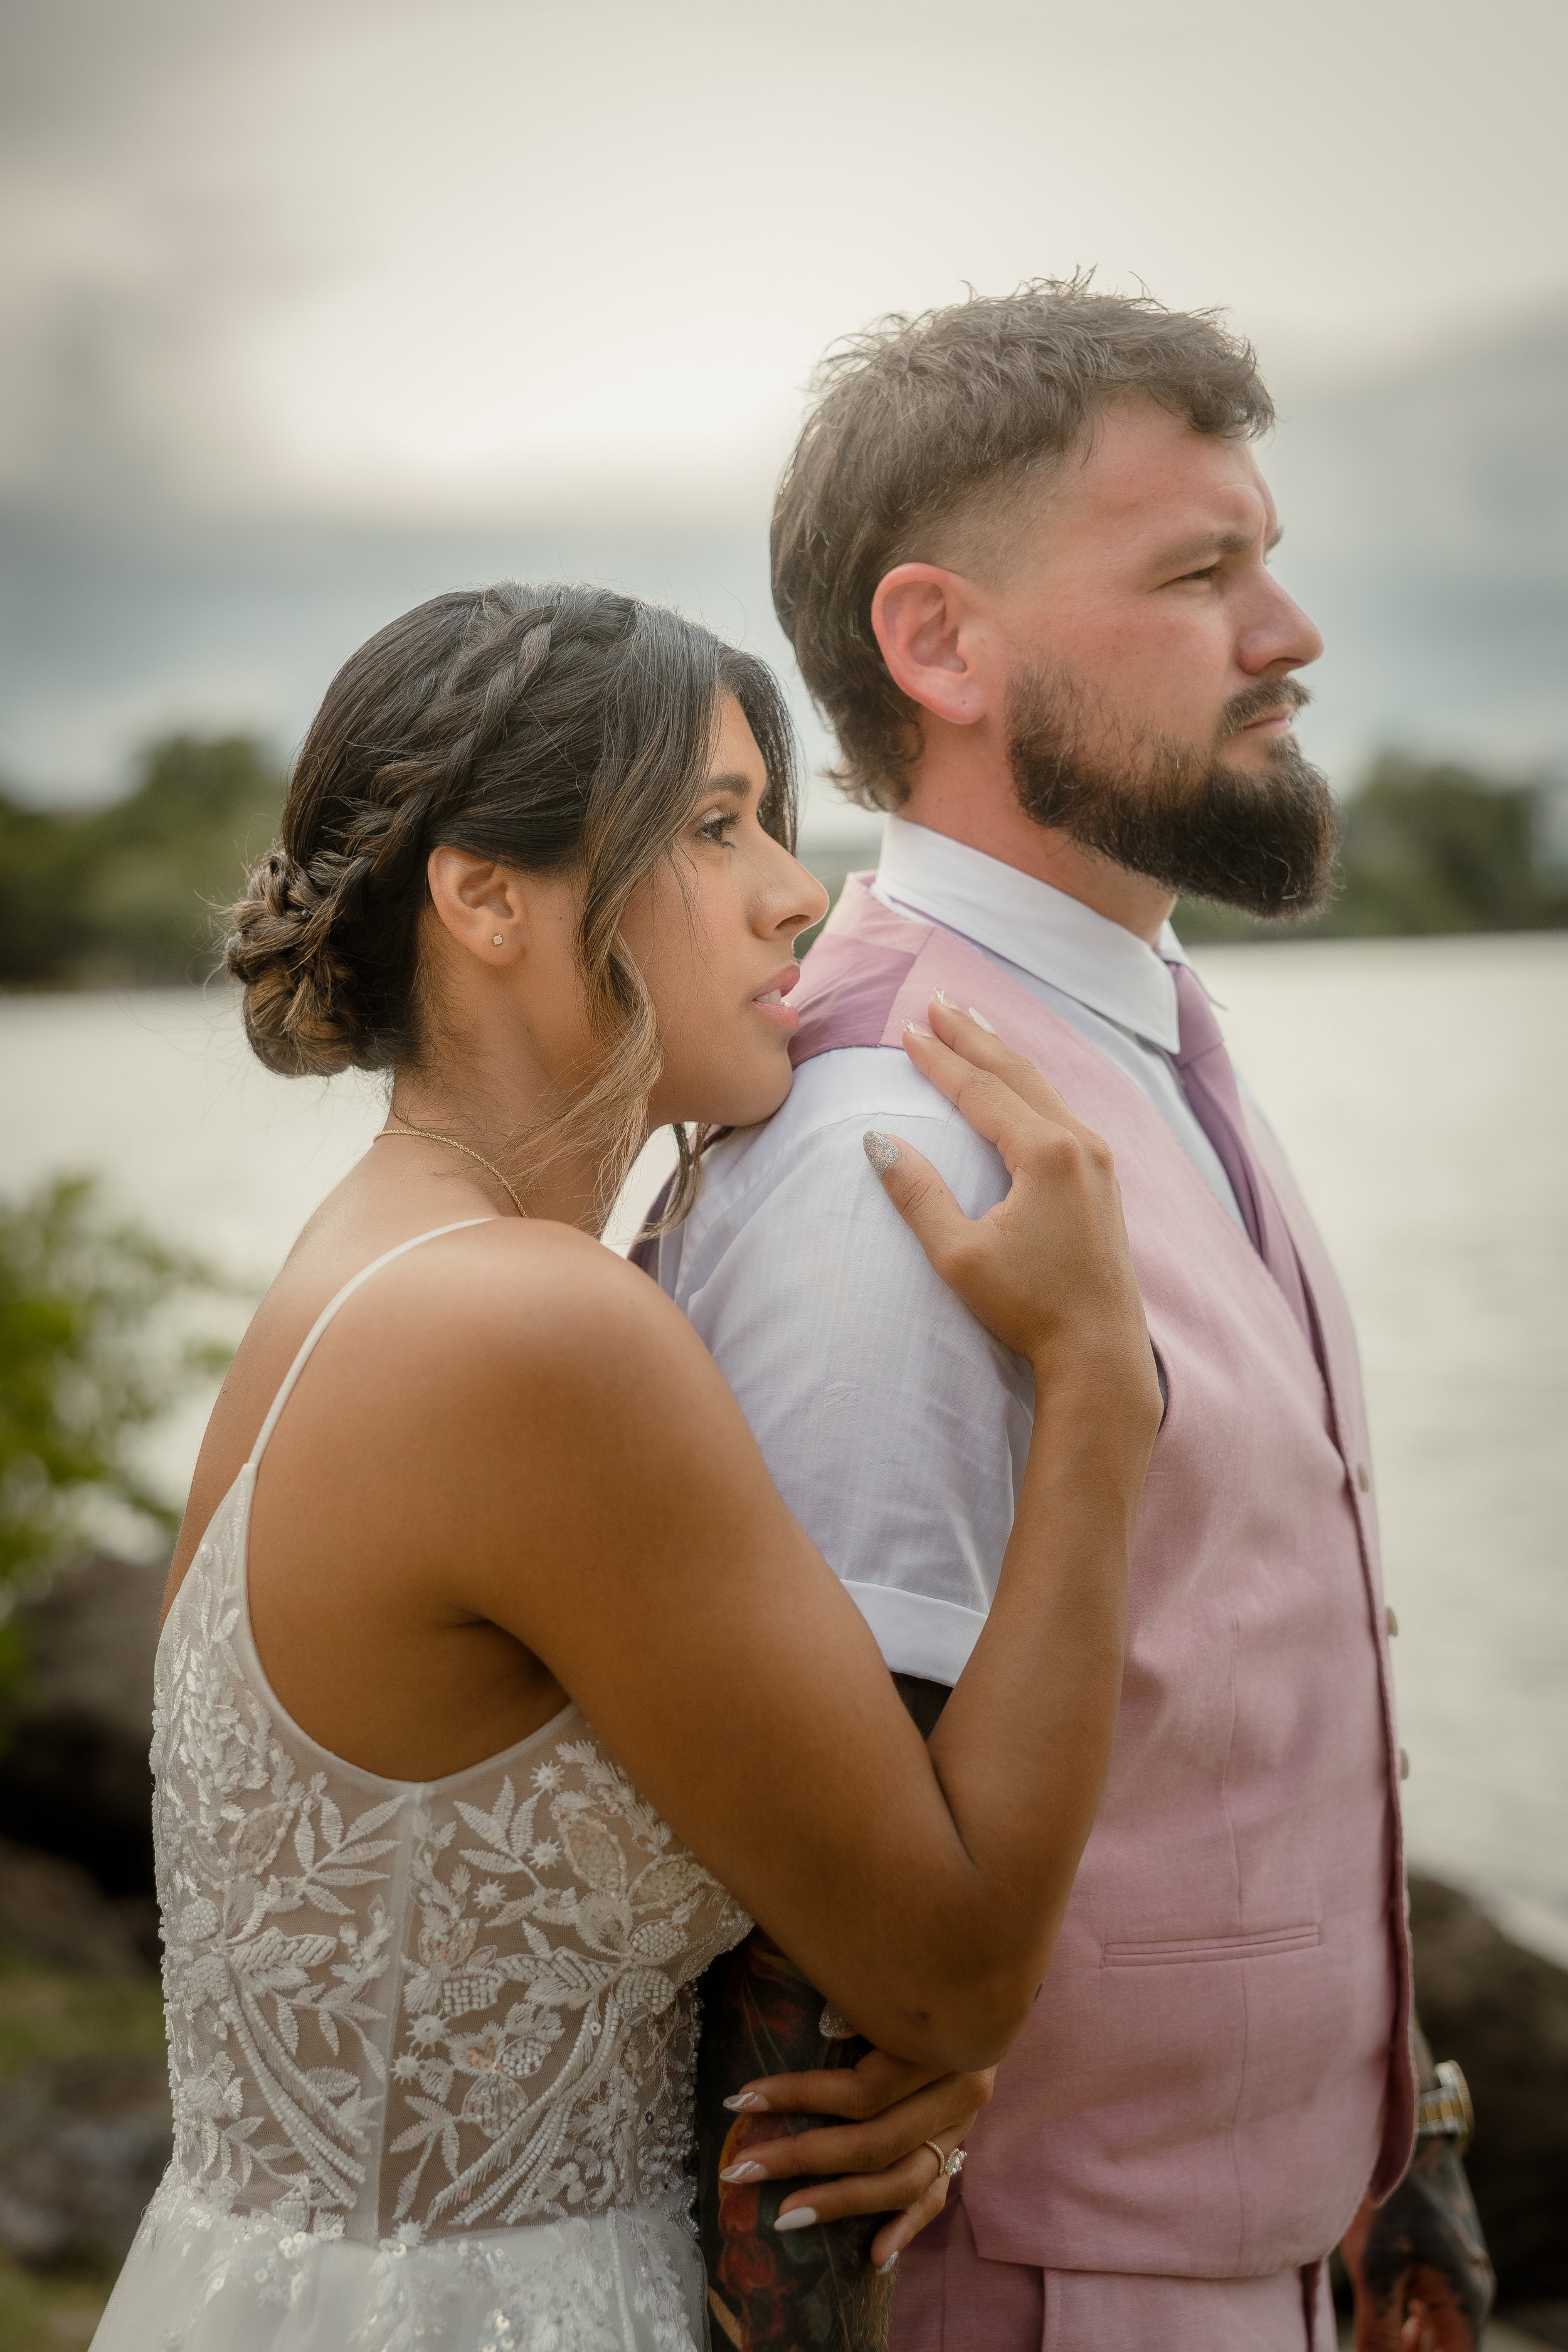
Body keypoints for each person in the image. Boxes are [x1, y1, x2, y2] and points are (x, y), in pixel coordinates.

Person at [88, 581, 1162, 2352]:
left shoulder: (362, 1273)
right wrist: (1097, 1381)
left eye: (775, 825)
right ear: (486, 896)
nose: (796, 891)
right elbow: (956, 1969)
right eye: (712, 825)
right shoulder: (532, 1330)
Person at [638, 284, 1495, 2351]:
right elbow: (805, 1911)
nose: (1287, 635)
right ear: (940, 644)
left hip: (1245, 2263)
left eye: (1267, 561)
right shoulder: (888, 1143)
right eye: (1202, 572)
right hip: (1033, 2294)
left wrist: (1399, 2171)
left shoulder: (1134, 1031)